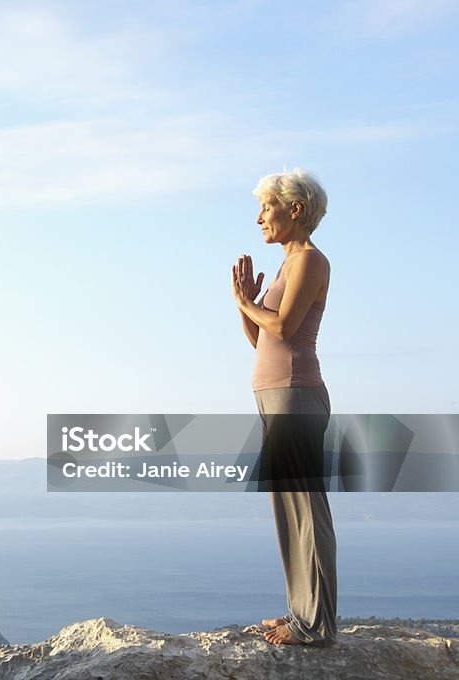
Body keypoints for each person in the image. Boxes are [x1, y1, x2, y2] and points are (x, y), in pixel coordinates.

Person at [230, 168, 337, 646]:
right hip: (276, 393)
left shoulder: (310, 261)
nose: (259, 218)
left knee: (306, 511)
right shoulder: (285, 265)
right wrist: (246, 304)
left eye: (267, 207)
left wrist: (243, 301)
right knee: (287, 509)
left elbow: (286, 328)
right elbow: (261, 337)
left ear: (295, 210)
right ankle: (300, 614)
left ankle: (317, 626)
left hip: (295, 393)